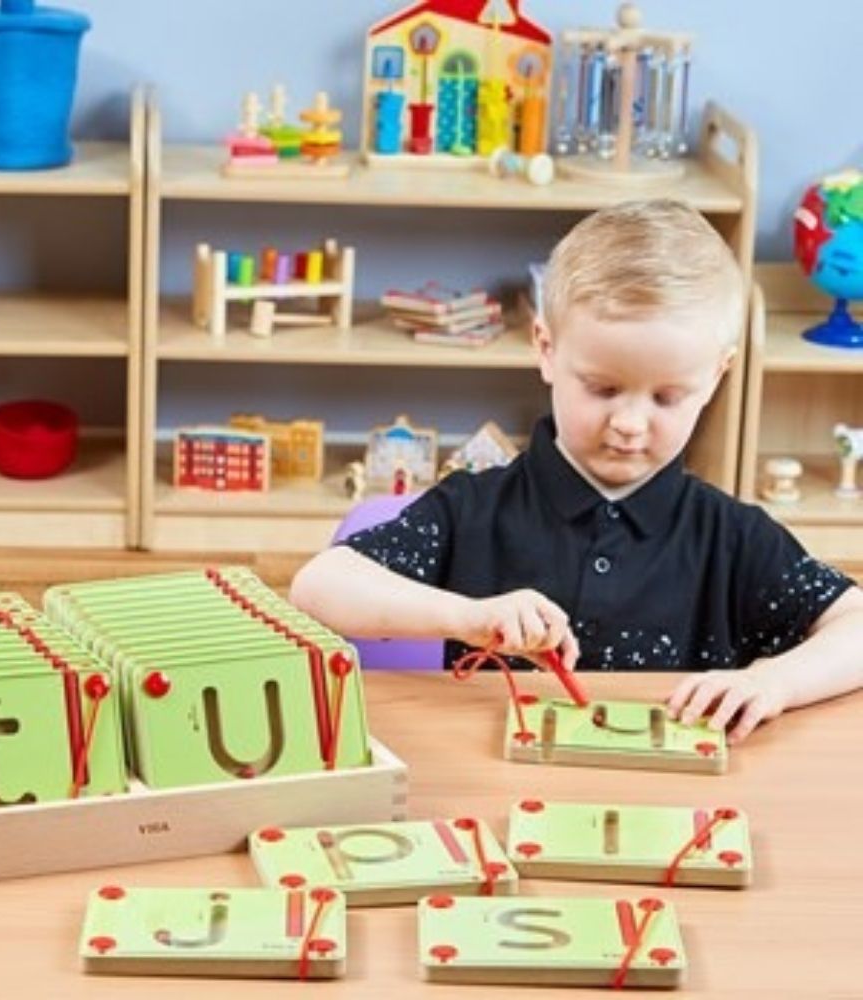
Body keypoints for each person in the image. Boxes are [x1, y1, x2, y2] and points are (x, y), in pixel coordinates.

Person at [290, 200, 863, 744]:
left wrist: (774, 681)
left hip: (669, 815)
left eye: (667, 397)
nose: (631, 423)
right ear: (546, 348)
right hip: (498, 801)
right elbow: (318, 588)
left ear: (717, 375)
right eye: (603, 388)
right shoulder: (472, 507)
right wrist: (467, 616)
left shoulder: (733, 537)